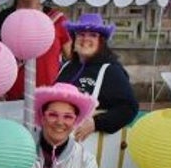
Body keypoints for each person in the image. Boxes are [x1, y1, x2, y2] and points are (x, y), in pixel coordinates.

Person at [7, 83, 108, 168]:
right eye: (53, 115)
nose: (60, 122)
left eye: (68, 117)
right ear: (42, 117)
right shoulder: (19, 149)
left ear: (75, 122)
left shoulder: (84, 158)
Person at [55, 13, 139, 141]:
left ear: (101, 42)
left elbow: (128, 108)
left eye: (93, 35)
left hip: (88, 145)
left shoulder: (111, 70)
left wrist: (96, 123)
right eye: (81, 34)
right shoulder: (66, 67)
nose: (85, 39)